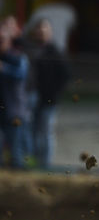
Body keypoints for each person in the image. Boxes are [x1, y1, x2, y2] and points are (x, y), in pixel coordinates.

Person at [25, 18, 69, 169]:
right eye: (38, 30)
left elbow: (65, 75)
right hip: (33, 98)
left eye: (44, 29)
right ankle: (35, 161)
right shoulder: (32, 49)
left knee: (46, 132)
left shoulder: (55, 51)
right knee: (33, 131)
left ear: (49, 32)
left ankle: (45, 164)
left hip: (48, 100)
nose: (41, 32)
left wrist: (54, 93)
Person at [0, 16, 31, 169]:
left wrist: (4, 68)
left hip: (14, 112)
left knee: (16, 153)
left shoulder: (18, 58)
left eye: (2, 40)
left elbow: (21, 74)